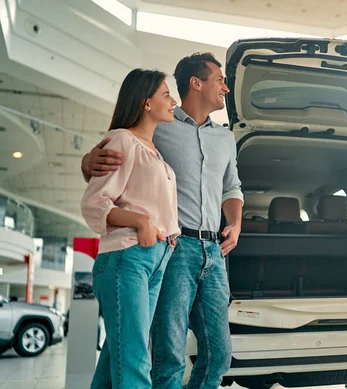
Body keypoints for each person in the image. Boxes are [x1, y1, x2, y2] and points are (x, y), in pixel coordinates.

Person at [81, 53, 244, 389]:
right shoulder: (161, 128)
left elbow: (232, 187)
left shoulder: (225, 138)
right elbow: (115, 151)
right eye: (220, 80)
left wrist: (236, 223)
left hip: (213, 252)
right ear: (196, 83)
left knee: (219, 354)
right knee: (161, 353)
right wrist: (87, 161)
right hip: (171, 249)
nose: (226, 88)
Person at [80, 68, 179, 389]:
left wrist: (169, 235)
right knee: (135, 360)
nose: (173, 101)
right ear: (145, 102)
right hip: (127, 258)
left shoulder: (156, 154)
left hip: (155, 260)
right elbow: (94, 202)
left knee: (116, 357)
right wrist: (141, 221)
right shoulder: (122, 140)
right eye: (166, 94)